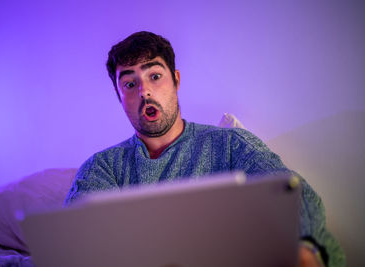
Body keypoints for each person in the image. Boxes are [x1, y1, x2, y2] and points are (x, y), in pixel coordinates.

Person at [65, 31, 345, 267]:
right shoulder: (101, 168)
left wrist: (304, 247)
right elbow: (81, 246)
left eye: (154, 76)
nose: (144, 92)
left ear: (176, 80)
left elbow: (291, 193)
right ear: (120, 97)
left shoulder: (231, 145)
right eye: (129, 83)